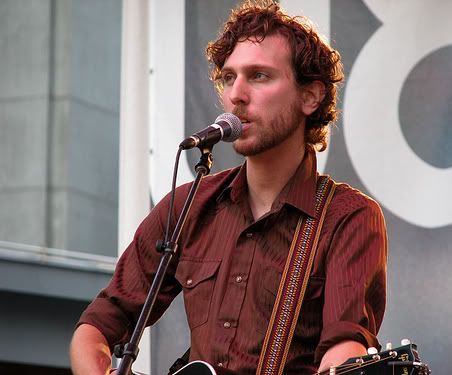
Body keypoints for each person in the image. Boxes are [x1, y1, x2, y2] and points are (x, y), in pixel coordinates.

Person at [70, 1, 387, 374]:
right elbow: (95, 328)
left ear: (310, 96)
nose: (236, 94)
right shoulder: (188, 207)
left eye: (259, 76)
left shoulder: (347, 218)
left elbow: (345, 346)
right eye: (228, 77)